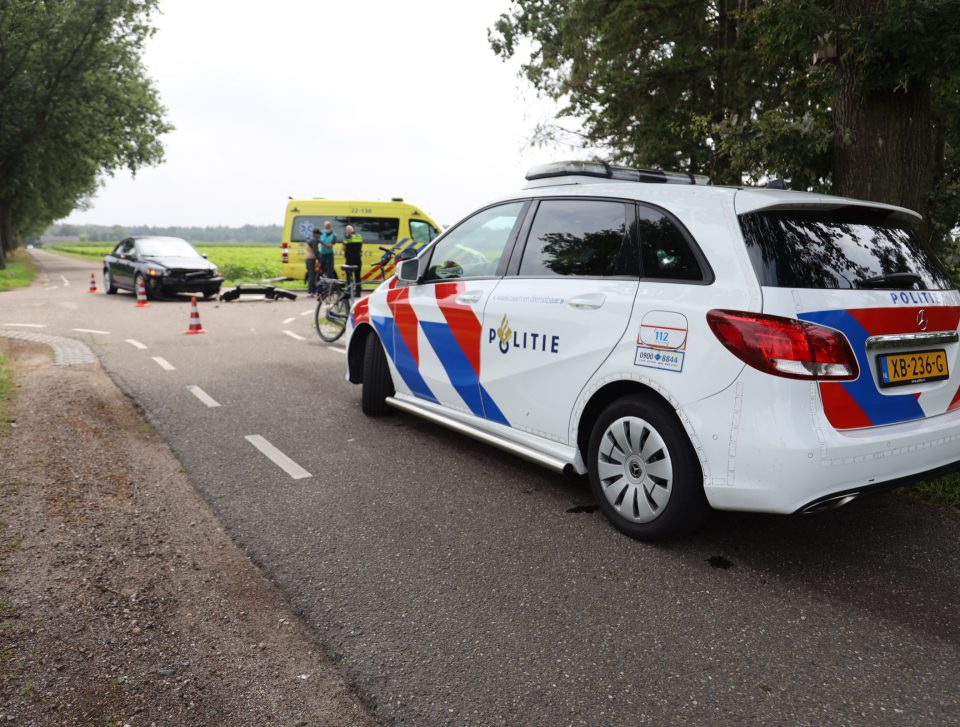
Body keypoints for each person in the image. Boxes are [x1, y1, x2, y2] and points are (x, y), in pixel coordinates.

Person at [342, 224, 364, 296]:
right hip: (358, 258)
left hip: (350, 259)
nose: (345, 232)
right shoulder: (359, 236)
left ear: (348, 231)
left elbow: (343, 248)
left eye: (346, 230)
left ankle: (349, 291)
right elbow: (361, 245)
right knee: (357, 276)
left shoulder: (348, 238)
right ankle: (358, 292)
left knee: (349, 276)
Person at [305, 228, 320, 297]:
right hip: (311, 259)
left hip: (307, 259)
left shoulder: (309, 239)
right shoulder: (314, 240)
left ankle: (311, 291)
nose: (319, 236)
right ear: (315, 234)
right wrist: (320, 259)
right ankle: (311, 291)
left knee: (311, 276)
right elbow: (316, 251)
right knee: (312, 276)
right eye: (318, 234)